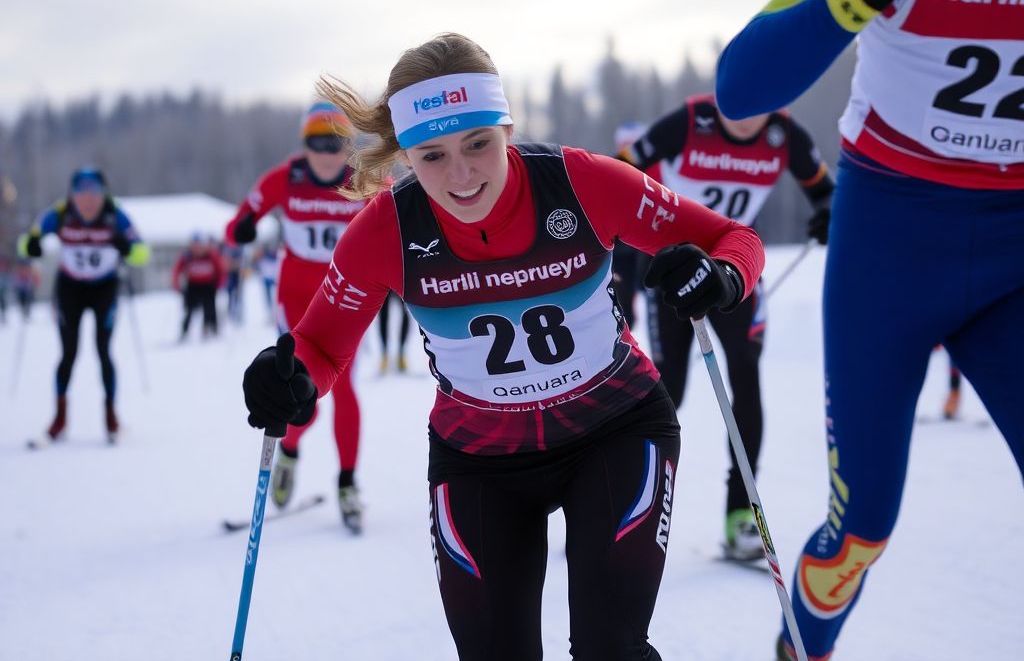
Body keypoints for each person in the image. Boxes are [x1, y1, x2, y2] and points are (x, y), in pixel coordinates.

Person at [241, 32, 765, 661]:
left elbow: (733, 239)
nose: (461, 175)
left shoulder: (580, 182)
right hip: (479, 459)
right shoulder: (384, 230)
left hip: (615, 429)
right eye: (432, 156)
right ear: (404, 155)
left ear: (507, 128)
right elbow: (320, 346)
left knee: (611, 650)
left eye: (478, 144)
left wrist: (721, 276)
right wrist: (289, 378)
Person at [715, 0, 1024, 661]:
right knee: (861, 532)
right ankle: (801, 650)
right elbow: (743, 83)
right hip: (893, 245)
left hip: (1014, 254)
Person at [622, 92, 833, 561]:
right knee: (668, 389)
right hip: (671, 273)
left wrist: (828, 213)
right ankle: (622, 506)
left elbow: (825, 190)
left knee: (746, 377)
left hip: (734, 270)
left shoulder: (785, 135)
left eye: (759, 98)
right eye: (735, 97)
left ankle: (741, 514)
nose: (745, 113)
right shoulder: (688, 121)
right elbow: (618, 173)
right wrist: (622, 260)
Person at [227, 102, 370, 532]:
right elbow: (237, 224)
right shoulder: (285, 179)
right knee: (297, 390)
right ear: (305, 145)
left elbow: (406, 211)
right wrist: (244, 228)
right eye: (317, 143)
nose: (327, 154)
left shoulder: (364, 180)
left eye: (336, 144)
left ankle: (347, 483)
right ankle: (289, 451)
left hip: (346, 297)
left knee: (345, 388)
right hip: (296, 298)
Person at [17, 167, 150, 442]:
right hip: (70, 289)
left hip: (104, 288)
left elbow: (143, 253)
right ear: (72, 196)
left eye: (94, 194)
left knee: (103, 350)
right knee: (68, 353)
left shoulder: (115, 215)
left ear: (104, 195)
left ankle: (111, 418)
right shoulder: (60, 213)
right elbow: (26, 240)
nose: (88, 201)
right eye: (81, 194)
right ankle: (59, 418)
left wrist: (127, 247)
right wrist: (31, 245)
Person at [608, 121, 649, 331]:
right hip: (621, 250)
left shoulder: (654, 168)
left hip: (646, 249)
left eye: (633, 144)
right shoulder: (611, 169)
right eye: (625, 145)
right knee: (624, 310)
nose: (629, 151)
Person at [172, 233, 225, 340]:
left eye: (199, 245)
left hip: (208, 285)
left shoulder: (211, 255)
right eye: (194, 245)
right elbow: (177, 270)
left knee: (209, 307)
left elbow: (220, 269)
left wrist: (219, 283)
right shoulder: (187, 256)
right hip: (193, 285)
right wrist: (176, 283)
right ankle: (184, 331)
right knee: (189, 309)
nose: (197, 248)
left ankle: (210, 328)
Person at [376, 289, 412, 374]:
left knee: (406, 312)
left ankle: (401, 353)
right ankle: (384, 354)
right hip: (384, 283)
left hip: (402, 282)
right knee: (383, 314)